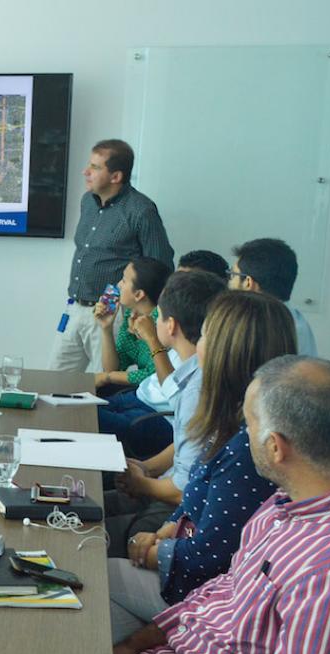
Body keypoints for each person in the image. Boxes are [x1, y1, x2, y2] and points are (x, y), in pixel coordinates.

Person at [114, 356, 330, 654]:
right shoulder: (287, 501)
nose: (243, 436)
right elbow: (224, 590)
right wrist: (139, 641)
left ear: (275, 447)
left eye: (249, 425)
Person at [108, 291, 298, 643]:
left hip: (200, 593)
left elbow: (210, 555)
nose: (199, 345)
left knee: (95, 576)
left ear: (227, 352)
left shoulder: (247, 449)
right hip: (182, 557)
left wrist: (152, 551)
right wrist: (165, 530)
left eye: (206, 335)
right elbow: (195, 501)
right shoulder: (231, 418)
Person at [104, 271, 227, 551]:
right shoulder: (195, 375)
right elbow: (191, 440)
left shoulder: (198, 388)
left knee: (87, 529)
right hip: (166, 486)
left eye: (158, 316)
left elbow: (184, 489)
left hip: (177, 509)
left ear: (170, 325)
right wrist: (147, 468)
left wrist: (141, 484)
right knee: (83, 506)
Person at [48, 139, 173, 373]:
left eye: (95, 167)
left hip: (112, 313)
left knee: (104, 384)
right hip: (75, 307)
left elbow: (160, 266)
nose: (86, 172)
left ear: (116, 177)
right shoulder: (87, 201)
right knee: (55, 380)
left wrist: (143, 315)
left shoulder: (141, 210)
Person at [94, 258, 172, 395]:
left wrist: (109, 377)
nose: (118, 285)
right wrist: (106, 328)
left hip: (156, 397)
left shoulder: (163, 323)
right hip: (144, 392)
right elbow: (113, 367)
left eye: (124, 280)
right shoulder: (131, 315)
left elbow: (153, 375)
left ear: (138, 294)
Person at [229, 237, 317, 356]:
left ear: (248, 282)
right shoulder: (295, 322)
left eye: (232, 275)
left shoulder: (260, 330)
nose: (229, 282)